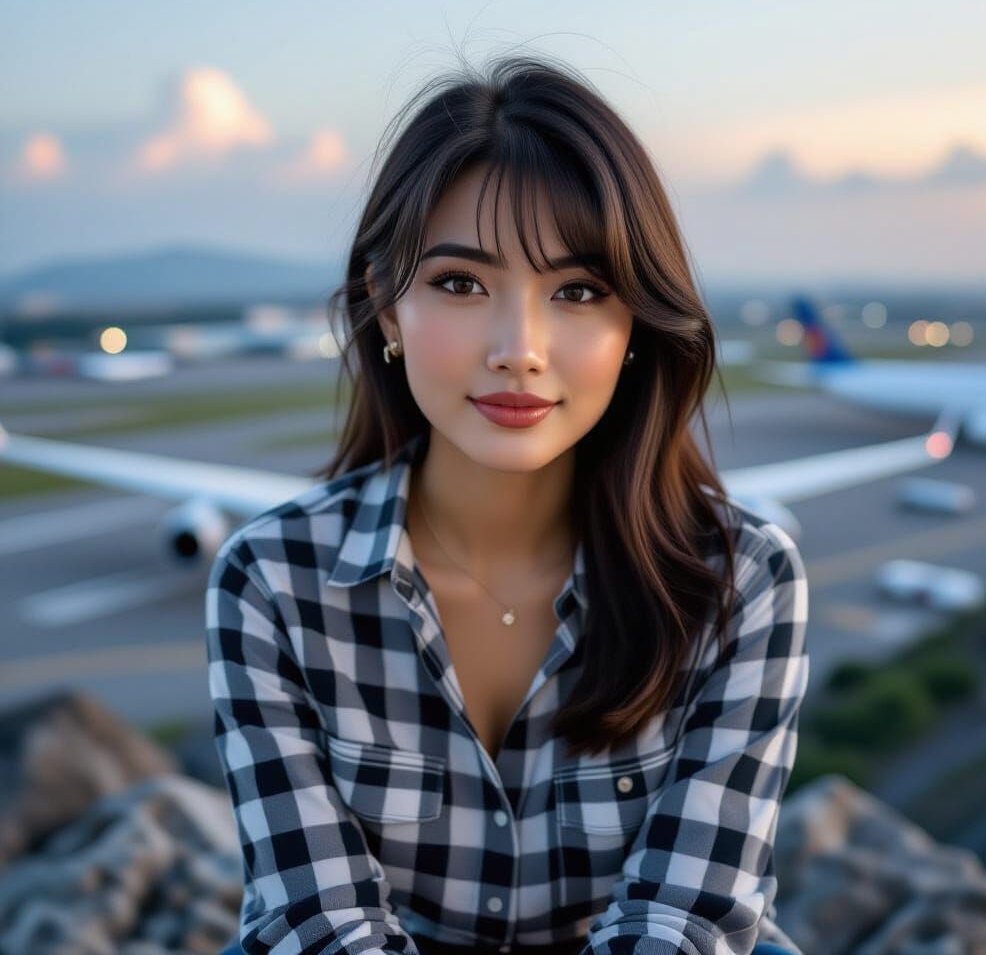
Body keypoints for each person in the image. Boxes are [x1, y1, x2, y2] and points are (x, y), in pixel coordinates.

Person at [206, 53, 808, 955]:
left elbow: (683, 922)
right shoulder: (272, 581)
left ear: (635, 327)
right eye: (460, 283)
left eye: (578, 291)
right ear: (385, 305)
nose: (518, 348)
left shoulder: (740, 580)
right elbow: (318, 923)